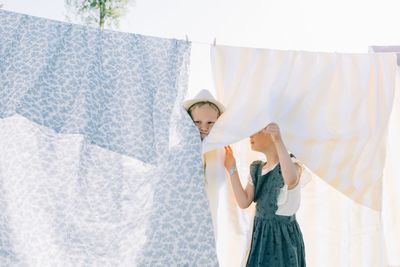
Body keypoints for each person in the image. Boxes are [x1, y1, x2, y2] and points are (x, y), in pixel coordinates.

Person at [224, 122, 306, 267]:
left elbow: (291, 179)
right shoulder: (257, 169)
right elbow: (244, 202)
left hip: (283, 239)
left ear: (271, 133)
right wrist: (232, 168)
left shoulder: (292, 164)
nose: (251, 135)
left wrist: (278, 140)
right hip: (261, 237)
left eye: (256, 130)